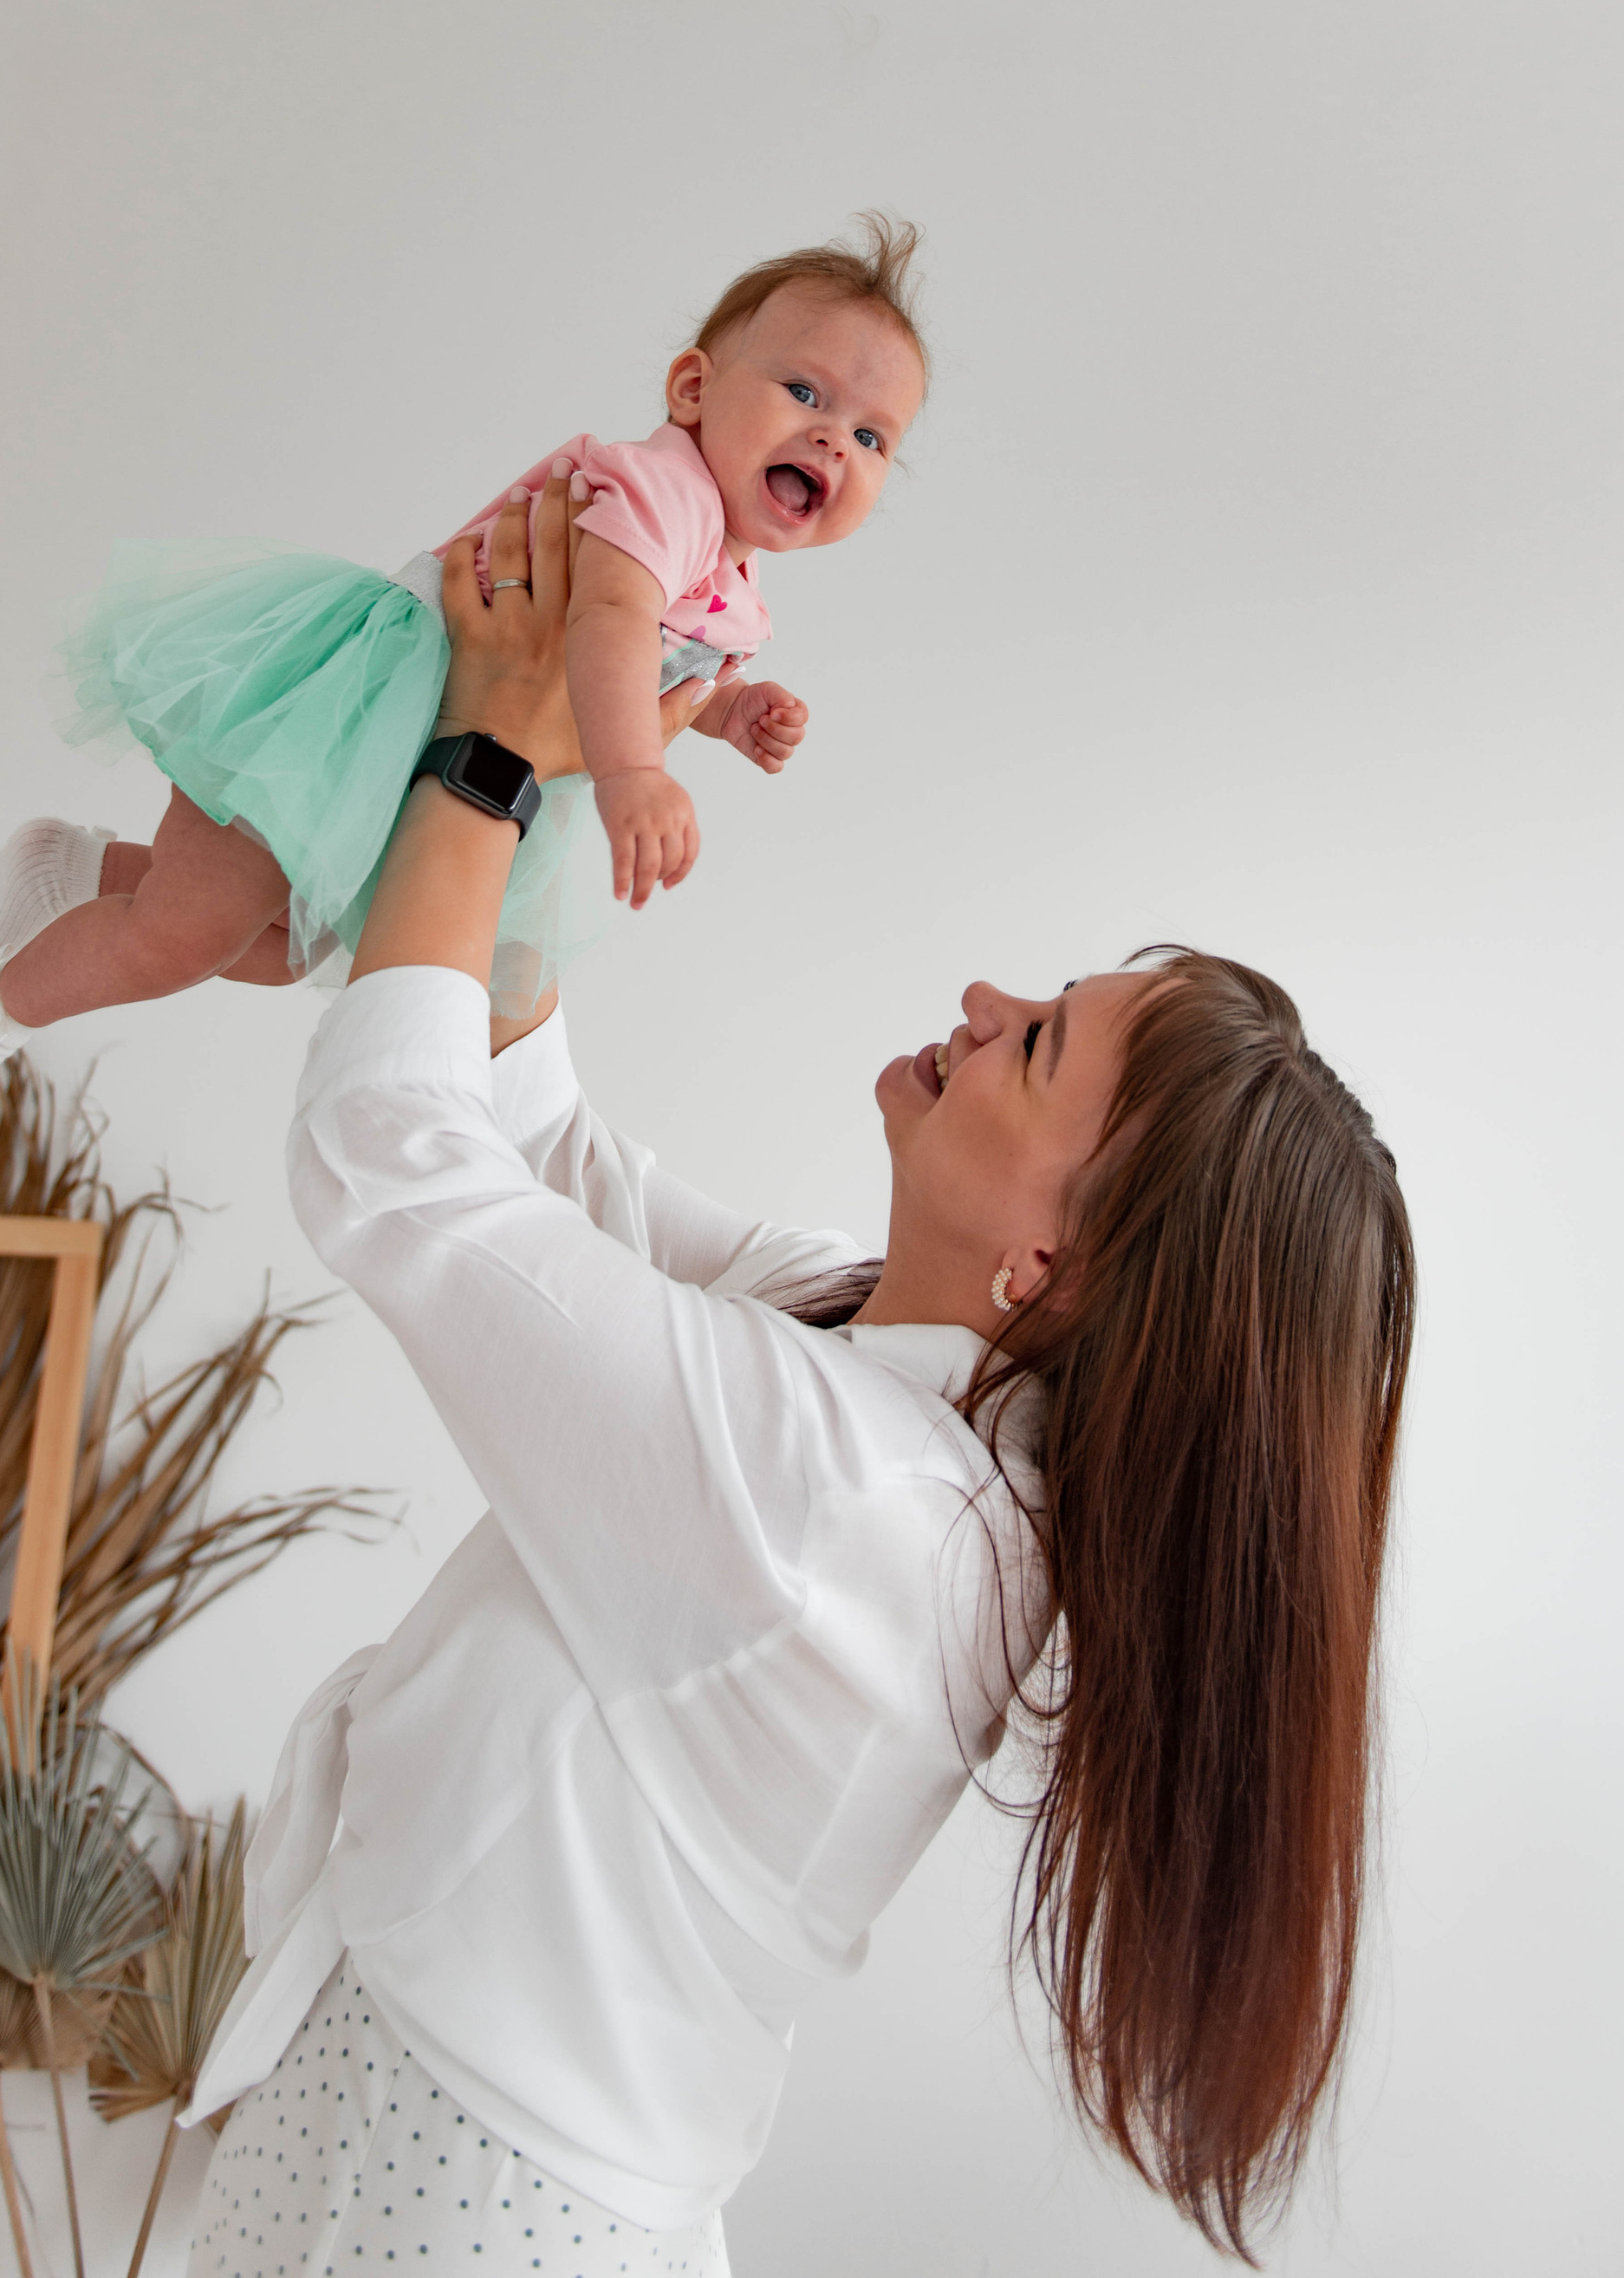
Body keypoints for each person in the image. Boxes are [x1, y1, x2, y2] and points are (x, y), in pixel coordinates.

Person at [177, 469, 1416, 2274]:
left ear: (1052, 1264)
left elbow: (395, 1161)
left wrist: (482, 751)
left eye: (1039, 1042)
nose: (982, 1000)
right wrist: (559, 745)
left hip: (466, 2200)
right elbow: (548, 1161)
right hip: (397, 2104)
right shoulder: (869, 1354)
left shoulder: (859, 1504)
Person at [0, 218, 928, 1142]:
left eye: (872, 436)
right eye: (803, 392)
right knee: (186, 934)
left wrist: (733, 711)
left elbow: (659, 674)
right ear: (694, 390)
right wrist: (629, 777)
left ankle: (69, 870)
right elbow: (608, 622)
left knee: (278, 947)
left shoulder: (731, 586)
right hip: (348, 716)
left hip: (422, 759)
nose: (834, 436)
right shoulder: (664, 490)